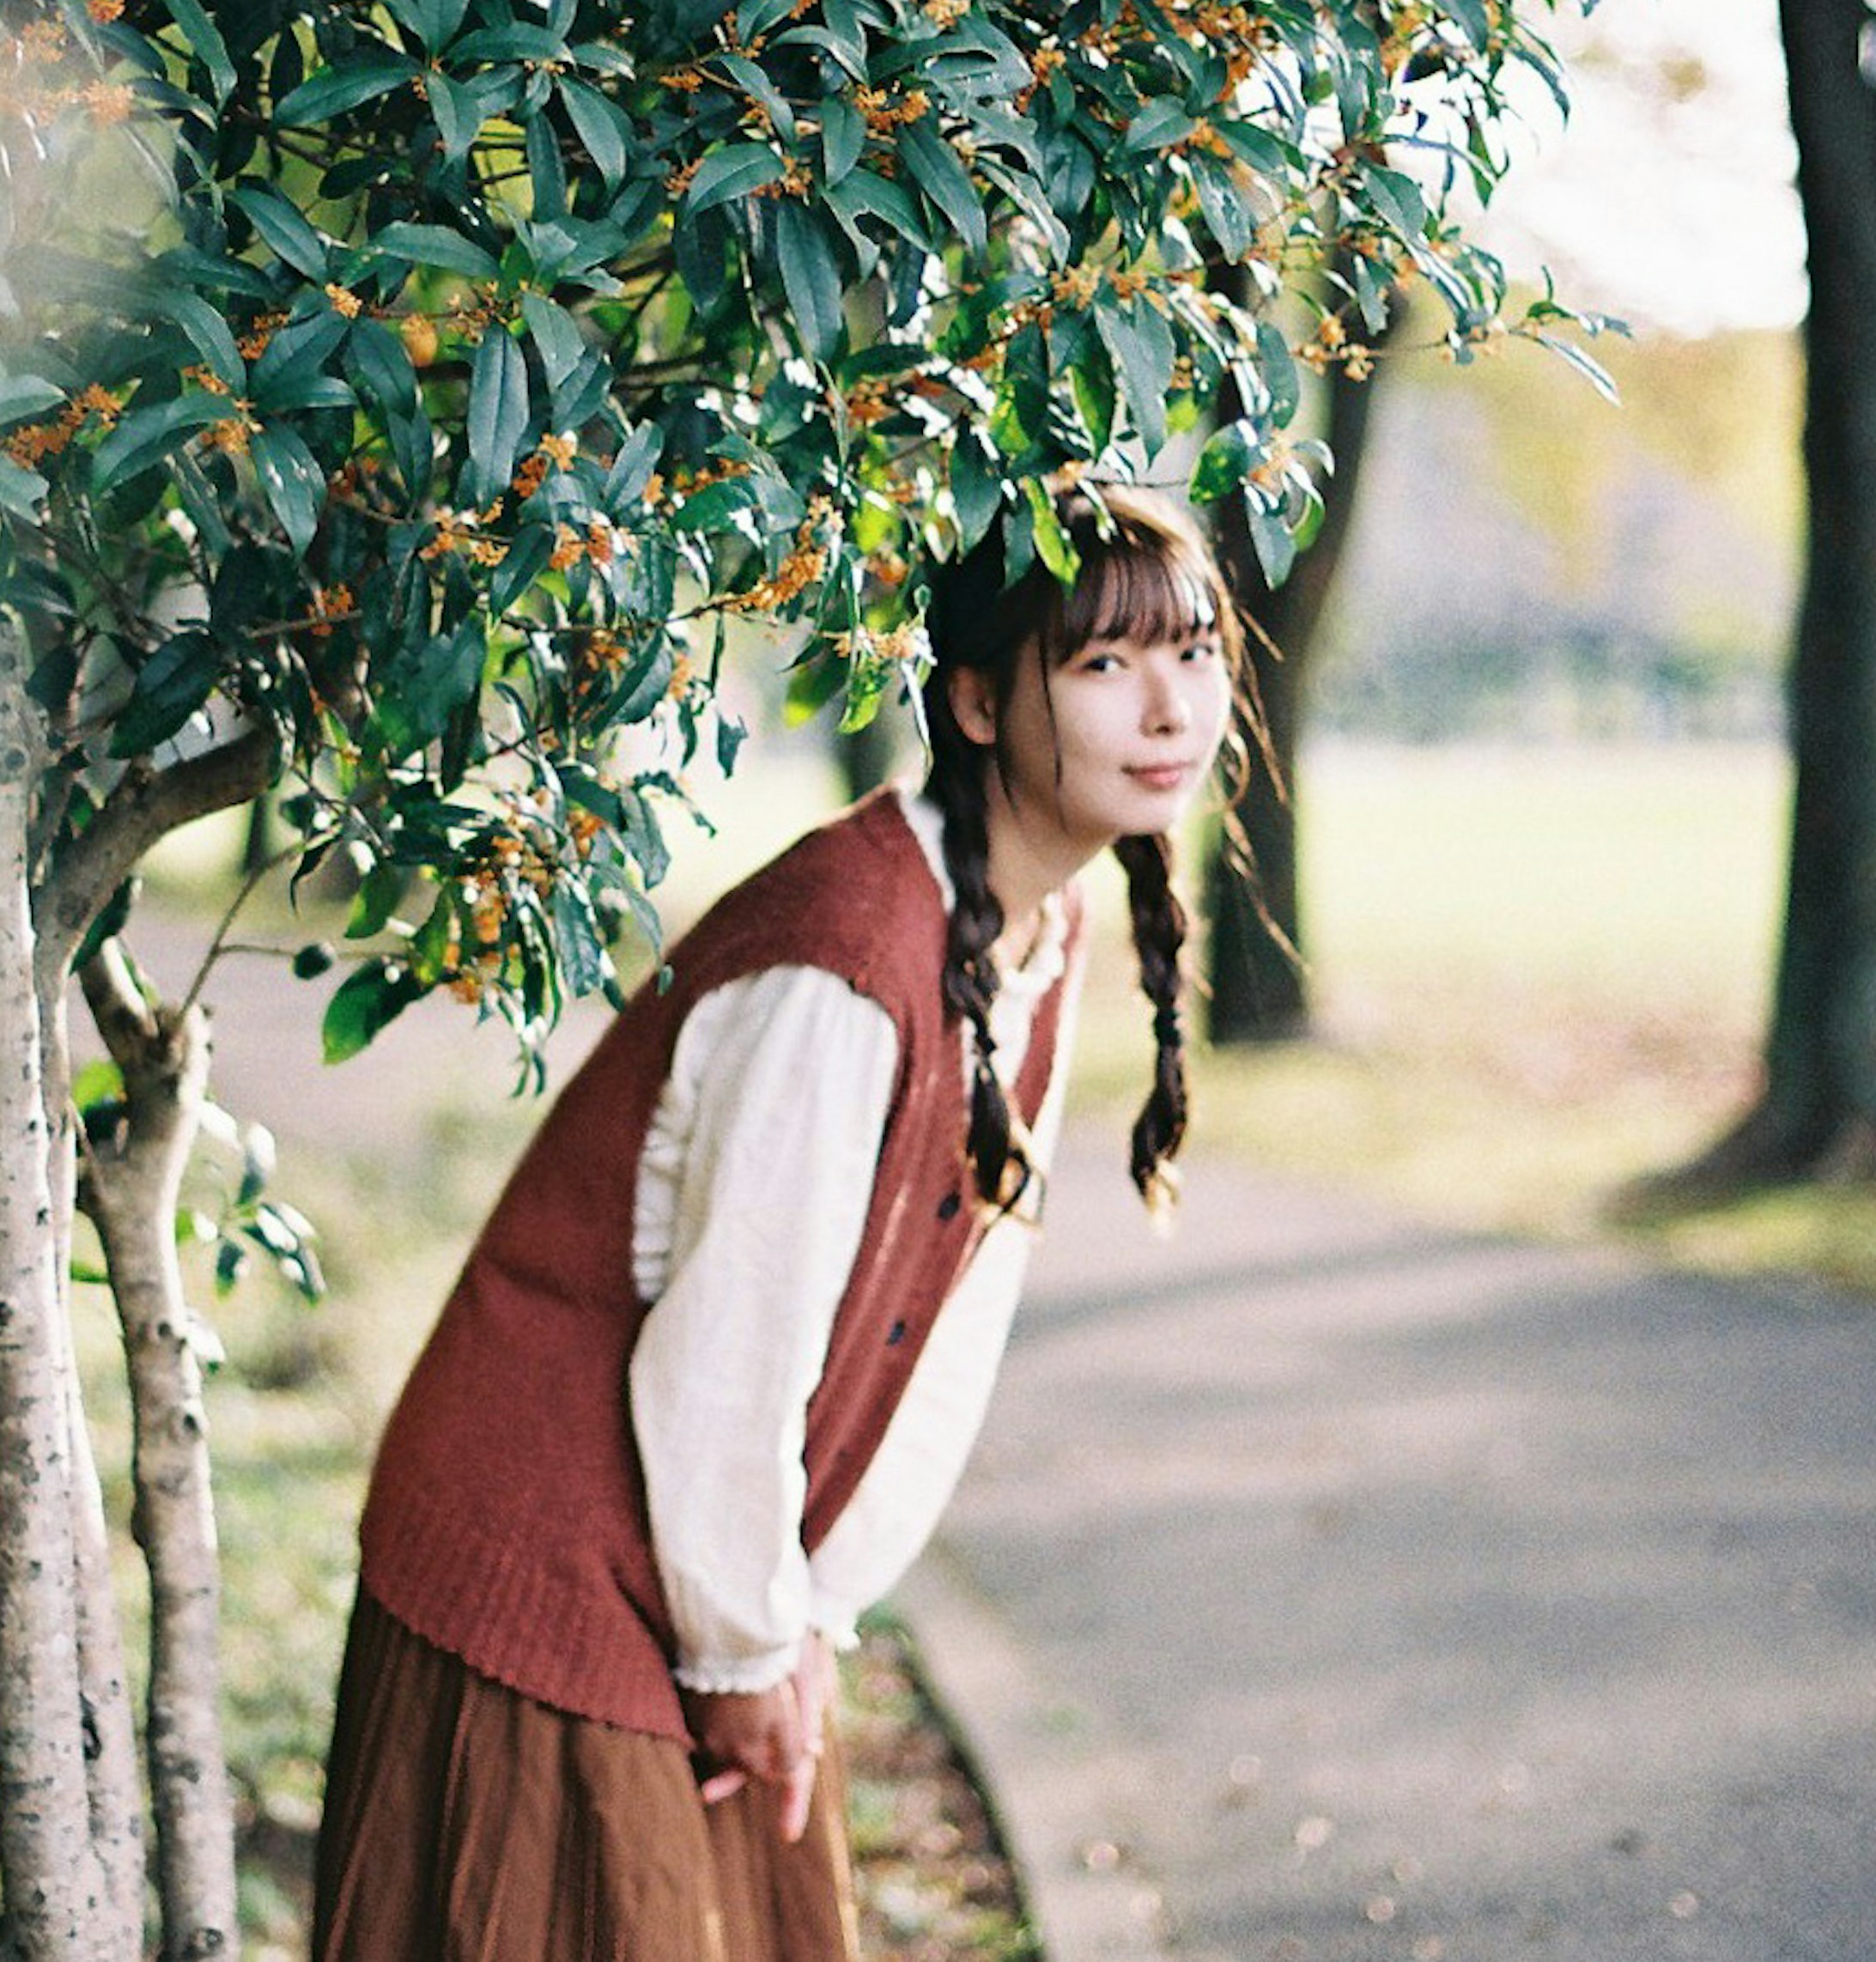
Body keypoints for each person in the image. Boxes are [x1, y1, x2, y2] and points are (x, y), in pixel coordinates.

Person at [313, 482, 1242, 1962]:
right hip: (548, 1560)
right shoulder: (845, 964)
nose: (1169, 705)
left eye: (1193, 653)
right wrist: (745, 1642)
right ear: (979, 705)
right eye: (1101, 663)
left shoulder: (1032, 938)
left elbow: (940, 1339)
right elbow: (726, 1354)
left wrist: (806, 1618)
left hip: (702, 1560)